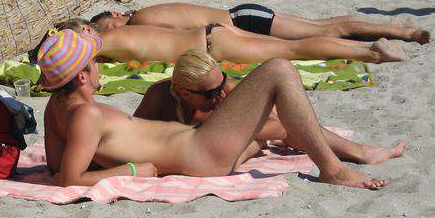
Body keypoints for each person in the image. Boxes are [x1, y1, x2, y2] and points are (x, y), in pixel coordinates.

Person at [38, 29, 397, 189]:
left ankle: (352, 154)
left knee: (271, 125)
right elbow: (69, 179)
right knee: (278, 70)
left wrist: (113, 159)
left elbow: (55, 166)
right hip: (199, 151)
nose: (98, 66)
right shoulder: (87, 115)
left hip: (197, 146)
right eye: (94, 62)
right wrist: (133, 170)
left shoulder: (56, 108)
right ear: (82, 76)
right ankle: (333, 170)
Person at [134, 49, 406, 165]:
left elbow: (278, 125)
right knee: (257, 142)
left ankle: (359, 152)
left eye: (222, 83)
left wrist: (241, 127)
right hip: (217, 153)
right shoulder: (159, 96)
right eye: (211, 93)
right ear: (184, 93)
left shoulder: (226, 92)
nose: (220, 94)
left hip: (232, 144)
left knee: (291, 129)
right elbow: (132, 137)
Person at [45, 17, 412, 65]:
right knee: (290, 46)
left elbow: (75, 60)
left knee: (293, 50)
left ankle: (369, 52)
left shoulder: (106, 40)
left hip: (212, 46)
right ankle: (365, 47)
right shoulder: (120, 34)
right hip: (210, 33)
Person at [90, 2, 430, 44]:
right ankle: (396, 30)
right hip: (244, 14)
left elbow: (189, 35)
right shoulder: (149, 12)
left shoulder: (142, 20)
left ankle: (403, 32)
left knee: (325, 31)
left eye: (110, 29)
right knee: (322, 24)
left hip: (244, 22)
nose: (115, 35)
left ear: (117, 16)